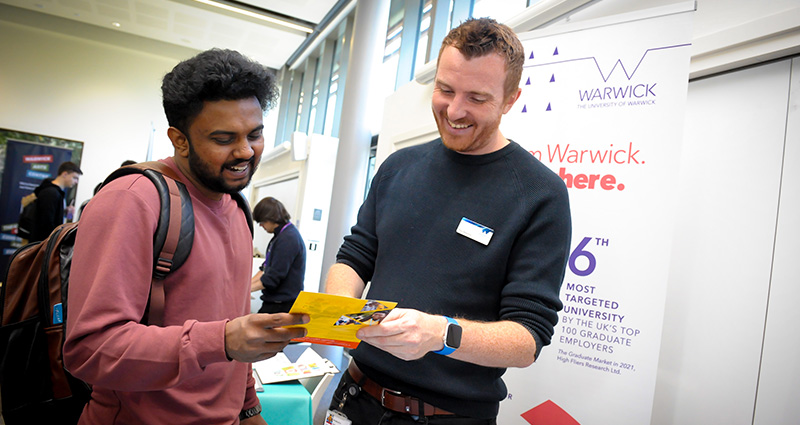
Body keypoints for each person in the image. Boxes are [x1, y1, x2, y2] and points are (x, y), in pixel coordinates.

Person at [324, 18, 572, 424]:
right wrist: (339, 308)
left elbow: (526, 340)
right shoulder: (397, 167)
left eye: (476, 97)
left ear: (510, 99)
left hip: (448, 415)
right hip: (355, 396)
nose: (454, 110)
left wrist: (440, 334)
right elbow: (355, 255)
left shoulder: (539, 194)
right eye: (445, 90)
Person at [63, 49, 309, 425]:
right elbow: (91, 350)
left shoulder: (238, 209)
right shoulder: (131, 201)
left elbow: (234, 330)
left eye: (255, 134)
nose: (245, 151)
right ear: (179, 140)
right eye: (223, 138)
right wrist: (221, 340)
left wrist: (248, 409)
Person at [249, 196, 306, 313]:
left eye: (262, 221)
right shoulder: (279, 237)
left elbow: (271, 279)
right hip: (274, 302)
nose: (261, 225)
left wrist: (244, 292)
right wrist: (246, 287)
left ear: (272, 218)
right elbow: (265, 270)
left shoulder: (288, 239)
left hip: (282, 306)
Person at [30, 161, 82, 241]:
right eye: (74, 178)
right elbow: (46, 223)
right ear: (65, 174)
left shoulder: (57, 193)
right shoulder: (51, 193)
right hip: (43, 243)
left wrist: (64, 210)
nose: (76, 182)